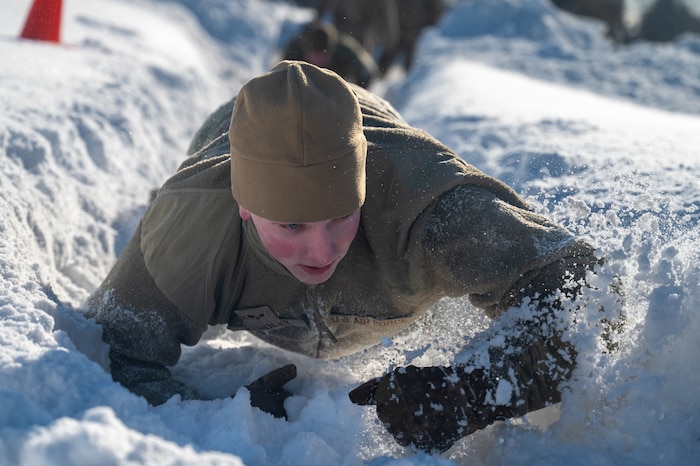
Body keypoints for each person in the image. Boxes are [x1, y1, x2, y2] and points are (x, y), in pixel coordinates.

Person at [86, 61, 622, 453]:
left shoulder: (427, 205)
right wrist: (213, 417)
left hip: (373, 125)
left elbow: (588, 292)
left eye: (340, 218)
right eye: (292, 225)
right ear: (246, 208)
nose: (321, 252)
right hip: (225, 130)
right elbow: (110, 353)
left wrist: (478, 388)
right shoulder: (192, 226)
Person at [283, 21, 379, 88]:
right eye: (314, 55)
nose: (317, 61)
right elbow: (281, 76)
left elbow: (366, 73)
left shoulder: (346, 52)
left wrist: (352, 94)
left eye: (321, 55)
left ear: (331, 52)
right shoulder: (294, 52)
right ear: (306, 51)